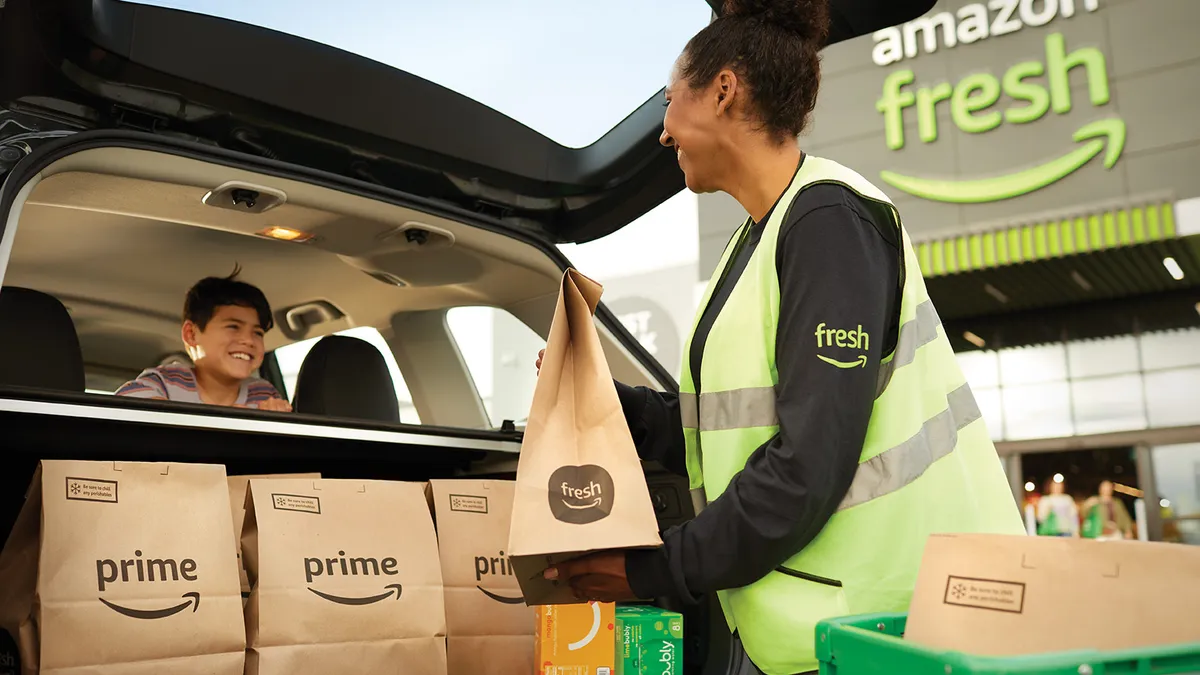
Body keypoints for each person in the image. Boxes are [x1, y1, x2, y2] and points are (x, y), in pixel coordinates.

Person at [535, 2, 1024, 673]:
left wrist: (654, 567)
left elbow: (806, 465)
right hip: (809, 628)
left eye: (669, 98)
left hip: (890, 630)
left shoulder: (828, 222)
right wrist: (599, 396)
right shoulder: (756, 241)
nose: (662, 131)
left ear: (724, 90)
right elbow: (722, 429)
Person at [116, 268, 292, 411]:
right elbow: (124, 406)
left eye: (258, 333)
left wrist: (275, 421)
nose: (248, 340)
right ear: (191, 335)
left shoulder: (264, 395)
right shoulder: (167, 382)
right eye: (233, 327)